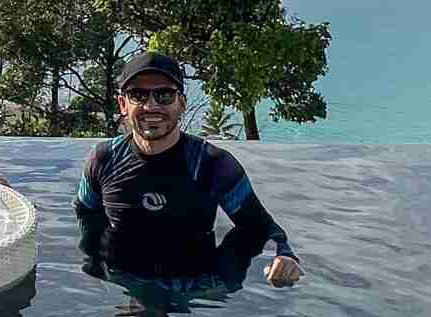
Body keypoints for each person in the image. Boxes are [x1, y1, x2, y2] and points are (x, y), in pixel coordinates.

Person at [72, 51, 301, 289]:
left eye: (164, 95)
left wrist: (285, 256)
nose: (151, 105)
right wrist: (96, 269)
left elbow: (260, 227)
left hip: (193, 290)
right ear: (123, 104)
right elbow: (85, 211)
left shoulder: (213, 164)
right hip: (124, 284)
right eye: (138, 95)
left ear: (182, 103)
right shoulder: (104, 159)